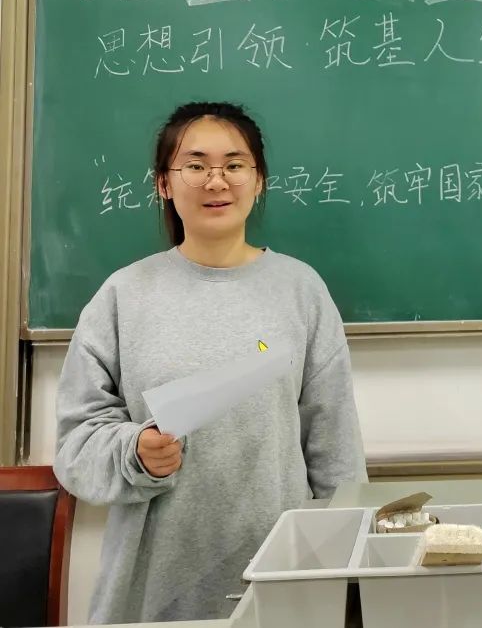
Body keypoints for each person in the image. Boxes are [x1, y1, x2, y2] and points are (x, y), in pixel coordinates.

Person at [53, 101, 365, 624]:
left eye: (234, 165)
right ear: (164, 183)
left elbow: (335, 449)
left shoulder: (301, 290)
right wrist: (135, 452)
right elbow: (75, 446)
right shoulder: (123, 296)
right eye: (195, 165)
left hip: (280, 579)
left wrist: (344, 572)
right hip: (152, 588)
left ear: (258, 180)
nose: (216, 181)